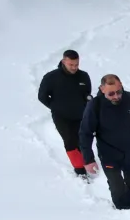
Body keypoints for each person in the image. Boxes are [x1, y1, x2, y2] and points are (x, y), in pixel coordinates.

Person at [80, 75, 130, 211]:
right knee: (117, 186)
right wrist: (88, 159)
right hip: (108, 153)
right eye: (111, 94)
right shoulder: (95, 105)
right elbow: (85, 133)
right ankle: (123, 213)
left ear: (121, 86)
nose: (116, 96)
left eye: (118, 92)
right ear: (102, 89)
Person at [37, 50, 93, 179]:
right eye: (71, 64)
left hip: (80, 115)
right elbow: (42, 96)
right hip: (62, 116)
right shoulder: (51, 77)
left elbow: (86, 93)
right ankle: (80, 171)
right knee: (69, 140)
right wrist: (55, 107)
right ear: (63, 62)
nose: (74, 67)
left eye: (76, 64)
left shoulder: (83, 76)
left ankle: (88, 162)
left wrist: (87, 100)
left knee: (82, 140)